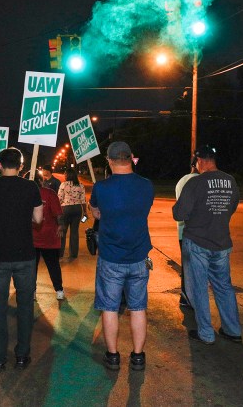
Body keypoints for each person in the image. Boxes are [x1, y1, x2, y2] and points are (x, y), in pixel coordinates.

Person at [0, 148, 43, 372]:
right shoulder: (31, 187)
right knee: (24, 307)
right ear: (20, 166)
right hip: (24, 255)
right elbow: (38, 218)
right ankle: (22, 355)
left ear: (0, 165)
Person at [89, 141, 154, 371]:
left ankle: (113, 356)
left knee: (110, 307)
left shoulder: (101, 188)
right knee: (138, 307)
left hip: (111, 258)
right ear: (131, 158)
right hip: (138, 257)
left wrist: (100, 213)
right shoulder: (147, 186)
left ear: (109, 161)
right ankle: (138, 357)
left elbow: (95, 212)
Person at [172, 145, 242, 345]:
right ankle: (233, 330)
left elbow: (180, 214)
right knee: (224, 287)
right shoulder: (230, 181)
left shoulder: (196, 183)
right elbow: (233, 206)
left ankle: (206, 333)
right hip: (221, 242)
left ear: (199, 161)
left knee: (199, 288)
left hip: (198, 242)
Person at [32, 176, 65, 300]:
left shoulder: (25, 194)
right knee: (53, 265)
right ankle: (59, 290)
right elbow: (58, 213)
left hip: (31, 238)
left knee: (31, 267)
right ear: (40, 181)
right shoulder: (50, 193)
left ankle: (32, 292)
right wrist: (60, 226)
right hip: (49, 237)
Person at [174, 157, 199, 309]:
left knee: (186, 265)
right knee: (197, 267)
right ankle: (193, 297)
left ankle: (185, 296)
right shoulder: (201, 181)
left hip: (182, 231)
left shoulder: (181, 181)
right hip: (197, 232)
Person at [58, 168, 87, 259]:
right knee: (74, 232)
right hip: (77, 209)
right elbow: (83, 200)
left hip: (66, 208)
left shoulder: (63, 184)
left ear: (68, 175)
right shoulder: (80, 185)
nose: (64, 175)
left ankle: (60, 253)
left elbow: (59, 198)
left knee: (63, 230)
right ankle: (74, 254)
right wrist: (85, 212)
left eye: (65, 174)